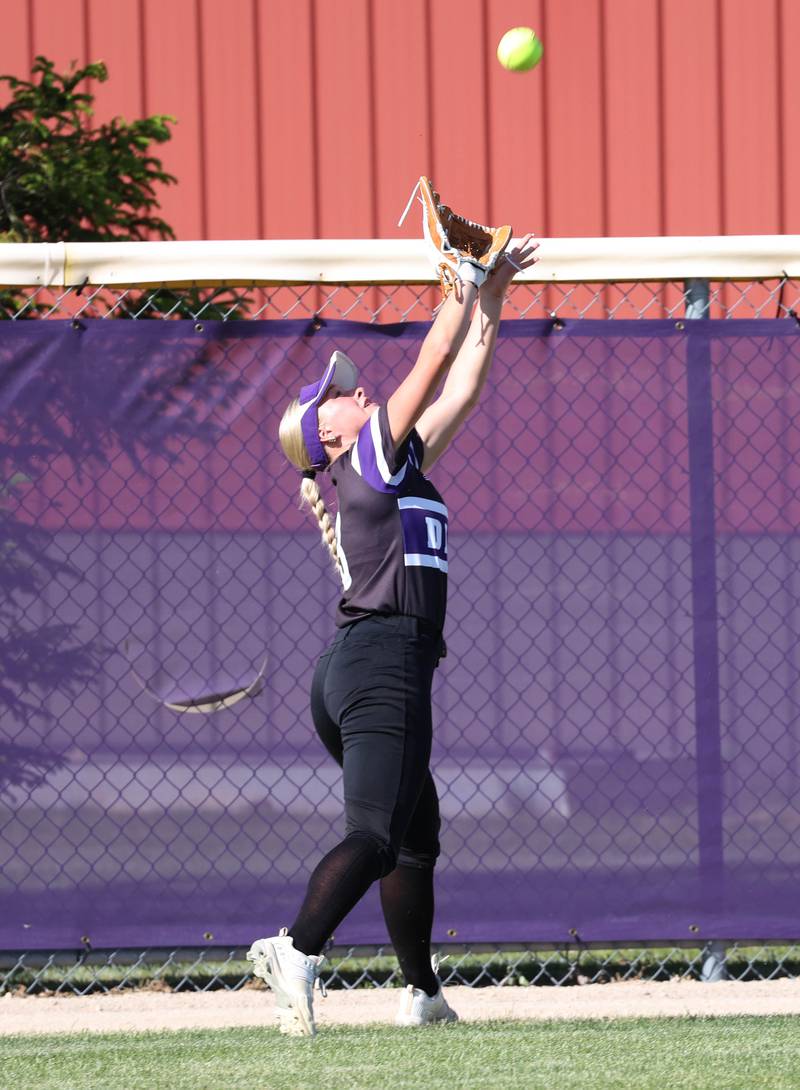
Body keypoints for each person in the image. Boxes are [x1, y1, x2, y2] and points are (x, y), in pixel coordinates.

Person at [247, 220, 539, 1037]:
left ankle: (422, 994)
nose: (351, 385)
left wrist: (494, 294)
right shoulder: (366, 454)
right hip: (381, 660)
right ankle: (295, 949)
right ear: (328, 435)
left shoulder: (395, 459)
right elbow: (431, 362)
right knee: (377, 835)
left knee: (415, 834)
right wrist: (462, 281)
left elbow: (465, 384)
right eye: (335, 391)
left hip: (363, 665)